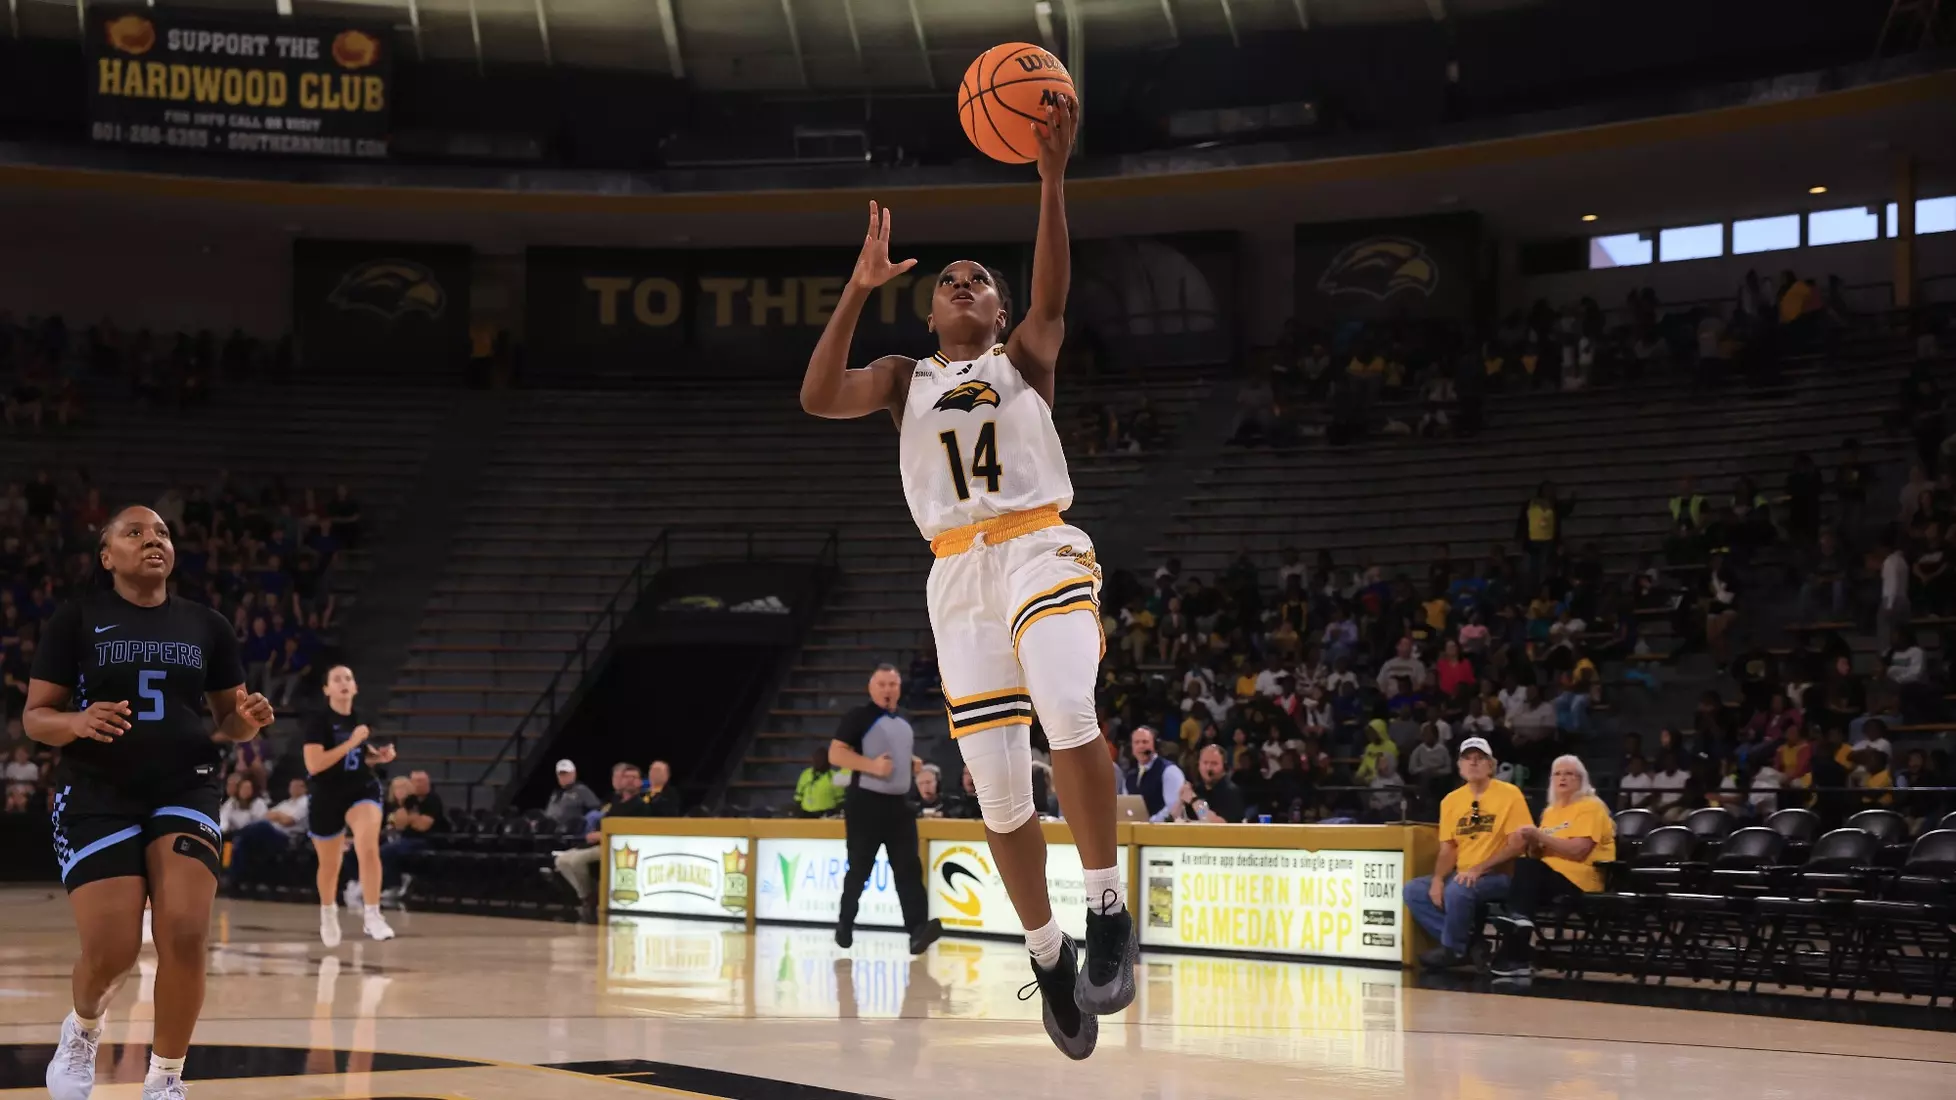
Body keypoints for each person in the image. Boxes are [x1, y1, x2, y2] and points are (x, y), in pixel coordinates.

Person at [797, 96, 1124, 1061]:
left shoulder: (1025, 358)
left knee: (1068, 705)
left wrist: (1052, 180)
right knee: (996, 793)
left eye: (980, 280)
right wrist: (856, 290)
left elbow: (1055, 297)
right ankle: (1050, 952)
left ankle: (1107, 912)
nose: (964, 284)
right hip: (955, 578)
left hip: (1038, 544)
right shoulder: (904, 377)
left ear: (1000, 310)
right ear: (931, 310)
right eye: (949, 280)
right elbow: (818, 397)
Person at [26, 505, 274, 1100]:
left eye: (161, 532)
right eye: (134, 533)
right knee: (112, 952)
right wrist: (80, 721)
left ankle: (165, 1079)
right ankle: (82, 1030)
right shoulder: (75, 620)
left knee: (186, 933)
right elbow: (37, 719)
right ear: (107, 556)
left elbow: (228, 725)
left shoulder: (207, 625)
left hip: (185, 786)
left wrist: (246, 722)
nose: (152, 540)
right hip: (98, 793)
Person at [827, 664, 939, 954]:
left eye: (893, 684)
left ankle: (917, 931)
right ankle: (845, 924)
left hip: (899, 806)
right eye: (882, 684)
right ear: (871, 687)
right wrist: (873, 767)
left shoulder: (902, 722)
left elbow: (887, 746)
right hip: (865, 804)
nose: (888, 689)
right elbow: (836, 752)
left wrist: (910, 762)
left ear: (899, 688)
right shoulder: (859, 717)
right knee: (860, 869)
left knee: (908, 868)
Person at [1402, 737, 1533, 969]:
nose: (1473, 763)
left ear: (1491, 765)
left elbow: (1517, 844)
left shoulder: (1510, 794)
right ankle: (1470, 945)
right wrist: (1437, 879)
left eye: (1480, 758)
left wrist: (1479, 869)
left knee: (1458, 889)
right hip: (1462, 873)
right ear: (1460, 766)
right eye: (1468, 758)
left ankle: (1453, 950)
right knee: (1414, 890)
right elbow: (1448, 847)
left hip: (1499, 876)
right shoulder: (1451, 801)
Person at [1489, 755, 1616, 987]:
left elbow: (1578, 851)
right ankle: (1518, 938)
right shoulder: (1551, 811)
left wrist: (1539, 836)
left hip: (1580, 880)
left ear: (1581, 780)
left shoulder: (1591, 807)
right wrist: (1533, 843)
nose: (1562, 778)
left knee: (1525, 873)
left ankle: (1516, 943)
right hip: (1548, 877)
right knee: (1524, 866)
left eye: (1569, 773)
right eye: (1557, 773)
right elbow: (1541, 853)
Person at [303, 664, 396, 946]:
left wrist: (379, 757)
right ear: (327, 689)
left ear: (354, 687)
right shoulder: (318, 722)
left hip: (361, 788)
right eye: (336, 678)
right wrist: (350, 743)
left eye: (348, 678)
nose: (343, 682)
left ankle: (372, 914)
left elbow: (359, 757)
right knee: (330, 865)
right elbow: (315, 765)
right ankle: (328, 912)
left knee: (367, 846)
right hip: (326, 793)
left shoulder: (362, 718)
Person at [1172, 743, 1245, 823]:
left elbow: (1214, 824)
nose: (1208, 768)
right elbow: (1174, 817)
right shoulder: (1197, 789)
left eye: (1214, 763)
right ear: (1198, 765)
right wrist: (1181, 798)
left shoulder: (1231, 792)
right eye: (1205, 763)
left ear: (1224, 766)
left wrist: (1194, 800)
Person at [1127, 725, 1185, 823]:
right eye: (1136, 742)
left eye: (1145, 742)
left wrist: (1149, 822)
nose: (1141, 746)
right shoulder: (1131, 776)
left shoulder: (1169, 771)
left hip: (1163, 833)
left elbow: (1173, 808)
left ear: (1155, 745)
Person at [544, 759, 602, 833]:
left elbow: (596, 809)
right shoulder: (555, 794)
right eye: (561, 775)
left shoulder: (581, 790)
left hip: (571, 835)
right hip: (552, 834)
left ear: (573, 773)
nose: (563, 777)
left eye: (566, 774)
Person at [794, 743, 846, 817]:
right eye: (817, 759)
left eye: (822, 759)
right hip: (806, 815)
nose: (820, 762)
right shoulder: (805, 774)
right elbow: (798, 797)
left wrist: (833, 813)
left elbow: (840, 801)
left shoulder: (834, 777)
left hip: (827, 815)